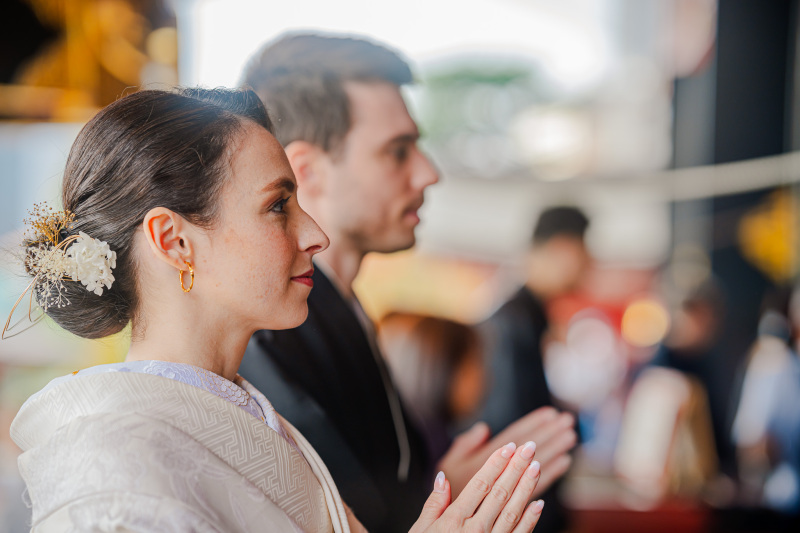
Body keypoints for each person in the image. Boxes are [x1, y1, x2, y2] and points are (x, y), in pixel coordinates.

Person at [7, 87, 547, 532]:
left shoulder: (251, 416)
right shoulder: (108, 463)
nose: (316, 234)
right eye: (277, 206)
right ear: (174, 241)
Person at [238, 33, 577, 532]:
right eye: (398, 151)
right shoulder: (273, 333)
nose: (428, 173)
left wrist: (438, 489)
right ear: (307, 171)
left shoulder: (343, 314)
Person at [378, 312, 486, 463]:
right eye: (475, 363)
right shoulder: (431, 449)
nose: (485, 375)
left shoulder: (435, 435)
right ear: (446, 370)